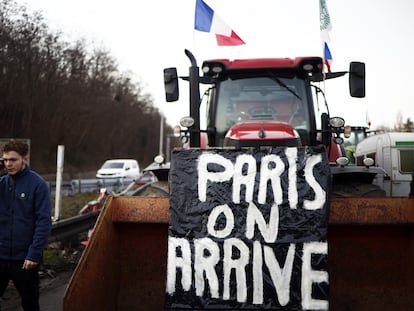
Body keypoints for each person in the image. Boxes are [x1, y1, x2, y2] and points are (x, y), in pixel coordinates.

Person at [0, 140, 52, 311]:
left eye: (13, 160)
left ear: (25, 159)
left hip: (25, 259)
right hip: (1, 256)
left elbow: (43, 222)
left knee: (30, 304)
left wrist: (34, 254)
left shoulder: (38, 184)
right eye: (5, 160)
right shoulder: (2, 183)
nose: (8, 164)